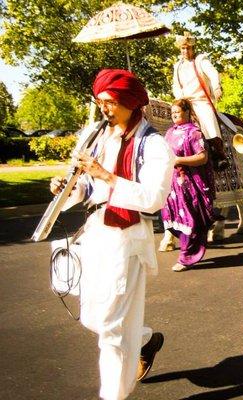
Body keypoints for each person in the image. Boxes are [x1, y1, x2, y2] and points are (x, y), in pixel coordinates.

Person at [50, 69, 175, 399]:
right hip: (94, 235)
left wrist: (106, 175)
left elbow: (153, 199)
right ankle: (145, 340)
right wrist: (67, 188)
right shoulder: (94, 134)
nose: (103, 108)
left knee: (111, 329)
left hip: (127, 238)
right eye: (99, 101)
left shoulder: (154, 144)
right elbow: (82, 187)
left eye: (109, 101)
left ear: (129, 103)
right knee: (93, 317)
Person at [159, 99, 216, 272]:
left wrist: (179, 160)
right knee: (174, 219)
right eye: (172, 112)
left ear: (187, 112)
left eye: (178, 111)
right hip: (172, 186)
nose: (174, 114)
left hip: (190, 185)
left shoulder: (194, 132)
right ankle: (186, 253)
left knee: (189, 220)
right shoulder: (169, 132)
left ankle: (186, 258)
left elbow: (202, 157)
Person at [172, 31, 230, 170]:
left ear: (193, 48)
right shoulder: (177, 65)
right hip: (185, 102)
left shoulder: (200, 60)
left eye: (188, 48)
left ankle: (218, 155)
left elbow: (213, 73)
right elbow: (175, 85)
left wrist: (216, 87)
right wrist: (179, 98)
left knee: (207, 120)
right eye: (183, 48)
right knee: (175, 121)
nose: (185, 51)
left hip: (200, 100)